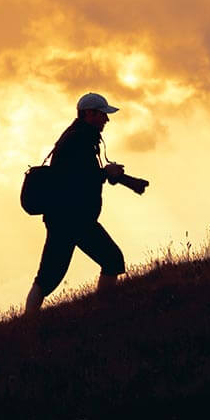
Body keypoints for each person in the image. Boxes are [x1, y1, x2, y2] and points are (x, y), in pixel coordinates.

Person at [25, 92, 141, 314]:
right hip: (73, 219)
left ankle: (26, 323)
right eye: (102, 114)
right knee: (112, 260)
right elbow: (76, 178)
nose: (106, 120)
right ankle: (104, 311)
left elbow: (80, 175)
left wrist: (116, 177)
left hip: (67, 218)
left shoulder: (79, 136)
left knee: (48, 276)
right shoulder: (79, 139)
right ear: (89, 114)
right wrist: (106, 172)